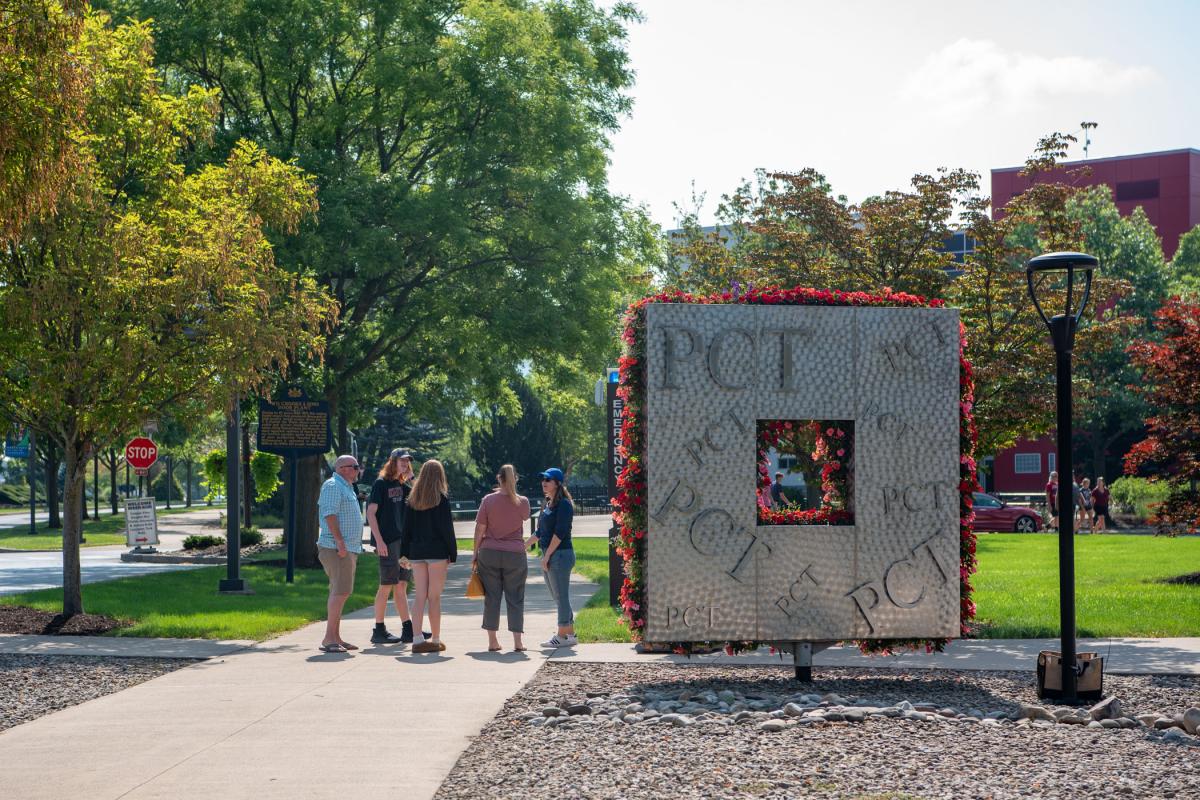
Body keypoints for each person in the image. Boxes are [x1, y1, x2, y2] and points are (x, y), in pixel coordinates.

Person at [399, 459, 456, 654]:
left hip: (416, 552)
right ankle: (436, 638)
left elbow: (406, 529)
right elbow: (447, 529)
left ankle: (416, 639)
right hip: (437, 552)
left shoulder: (412, 499)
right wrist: (452, 553)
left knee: (419, 596)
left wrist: (403, 553)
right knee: (434, 597)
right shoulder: (441, 499)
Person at [472, 464, 531, 652]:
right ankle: (518, 642)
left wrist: (475, 553)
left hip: (489, 552)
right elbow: (525, 517)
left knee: (492, 597)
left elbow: (480, 529)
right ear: (516, 478)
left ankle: (492, 641)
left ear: (499, 478)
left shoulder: (488, 500)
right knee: (515, 598)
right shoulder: (522, 501)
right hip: (515, 554)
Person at [365, 448, 416, 645]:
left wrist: (411, 478)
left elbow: (420, 499)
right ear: (392, 461)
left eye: (407, 462)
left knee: (401, 585)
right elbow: (371, 513)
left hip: (403, 542)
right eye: (402, 461)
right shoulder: (381, 484)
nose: (405, 464)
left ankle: (408, 630)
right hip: (387, 541)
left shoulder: (402, 484)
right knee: (386, 584)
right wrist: (379, 540)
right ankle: (378, 630)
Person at [317, 454, 365, 653]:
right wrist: (340, 542)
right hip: (336, 548)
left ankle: (336, 637)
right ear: (343, 468)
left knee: (340, 591)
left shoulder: (346, 487)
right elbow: (329, 514)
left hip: (347, 548)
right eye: (355, 466)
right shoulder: (332, 486)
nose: (358, 469)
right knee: (340, 591)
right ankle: (329, 639)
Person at [532, 467, 576, 649]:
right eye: (542, 479)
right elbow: (540, 532)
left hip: (560, 555)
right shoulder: (548, 503)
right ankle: (570, 634)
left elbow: (560, 533)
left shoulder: (564, 504)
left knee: (561, 595)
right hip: (550, 555)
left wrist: (547, 555)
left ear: (557, 483)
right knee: (557, 596)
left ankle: (561, 635)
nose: (544, 482)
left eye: (548, 480)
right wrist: (523, 545)